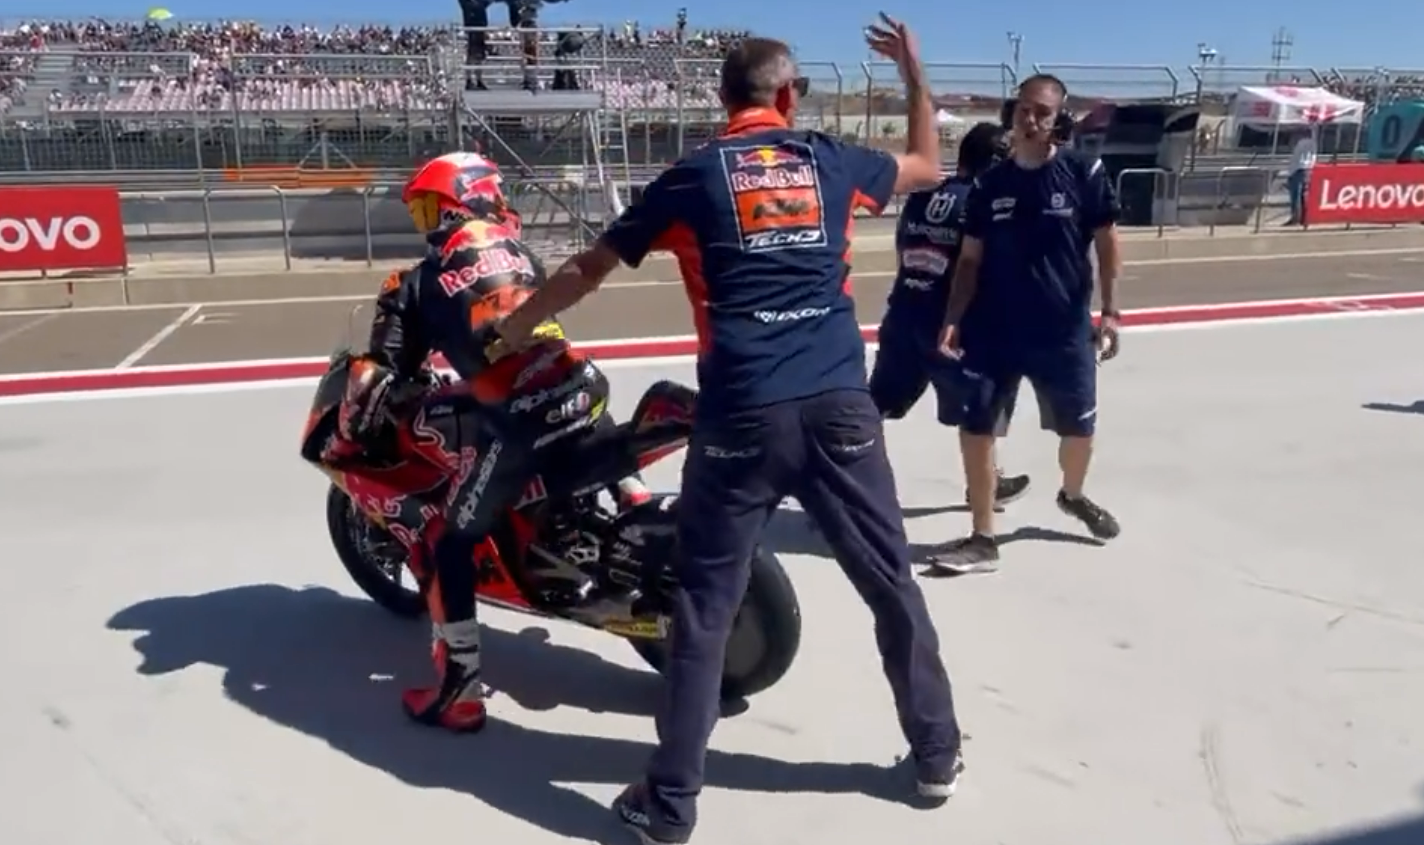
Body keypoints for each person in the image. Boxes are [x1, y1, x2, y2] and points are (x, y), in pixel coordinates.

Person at [489, 17, 964, 845]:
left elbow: (586, 270)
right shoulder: (830, 159)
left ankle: (669, 805)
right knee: (890, 583)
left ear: (722, 100)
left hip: (740, 412)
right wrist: (914, 73)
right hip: (838, 407)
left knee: (704, 608)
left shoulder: (691, 177)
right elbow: (928, 164)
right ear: (786, 95)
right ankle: (935, 753)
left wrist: (513, 331)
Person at [338, 151, 648, 732]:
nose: (426, 222)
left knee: (448, 541)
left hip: (517, 420)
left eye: (430, 206)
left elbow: (384, 369)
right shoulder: (521, 253)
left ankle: (460, 692)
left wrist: (379, 390)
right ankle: (636, 501)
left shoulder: (418, 280)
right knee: (581, 406)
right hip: (581, 385)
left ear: (459, 199)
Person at [928, 72, 1123, 574]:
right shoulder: (990, 186)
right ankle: (982, 537)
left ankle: (1072, 494)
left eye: (1043, 112)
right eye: (1024, 110)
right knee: (977, 428)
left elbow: (1106, 244)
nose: (1031, 119)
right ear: (1012, 114)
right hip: (996, 330)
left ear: (1059, 119)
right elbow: (969, 260)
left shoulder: (1085, 173)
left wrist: (1112, 312)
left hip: (1063, 332)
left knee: (1078, 432)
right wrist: (953, 318)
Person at [868, 120, 1033, 520]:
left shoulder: (924, 197)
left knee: (873, 409)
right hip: (953, 328)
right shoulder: (986, 206)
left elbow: (904, 247)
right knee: (984, 409)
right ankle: (983, 486)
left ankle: (837, 484)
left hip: (905, 313)